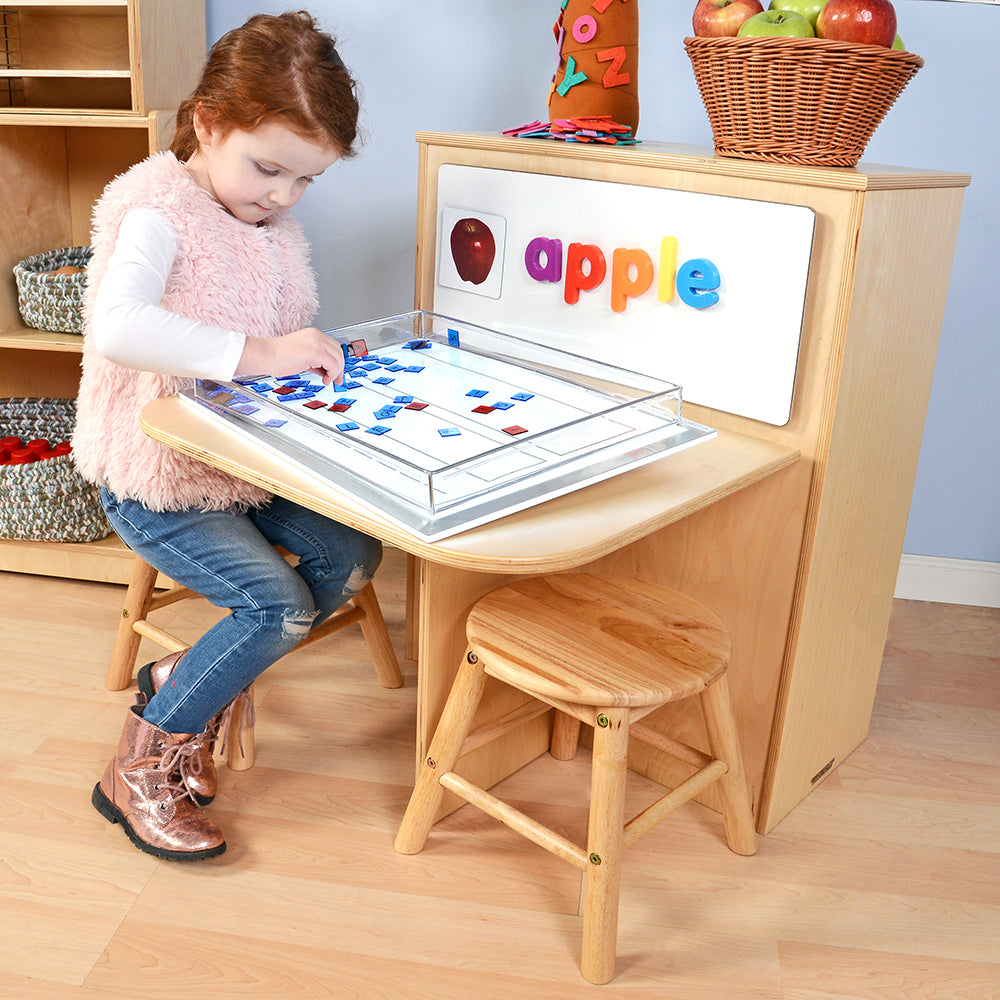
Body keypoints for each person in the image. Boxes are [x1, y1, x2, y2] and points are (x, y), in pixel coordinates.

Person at [73, 11, 383, 861]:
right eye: (269, 168)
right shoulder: (154, 208)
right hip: (160, 477)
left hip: (244, 463)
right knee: (275, 607)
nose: (283, 196)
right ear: (209, 123)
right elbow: (119, 327)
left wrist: (317, 355)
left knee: (353, 559)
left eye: (304, 181)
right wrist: (258, 353)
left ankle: (188, 679)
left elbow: (276, 337)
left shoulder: (269, 228)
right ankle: (138, 765)